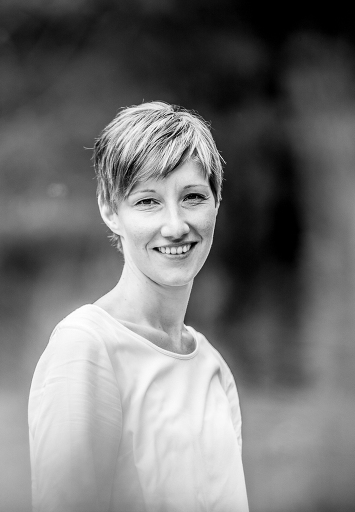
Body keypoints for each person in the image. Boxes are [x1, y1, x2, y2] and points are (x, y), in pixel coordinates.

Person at [27, 101, 249, 512]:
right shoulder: (86, 347)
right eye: (148, 201)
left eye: (193, 197)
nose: (175, 226)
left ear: (216, 202)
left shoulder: (212, 367)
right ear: (110, 210)